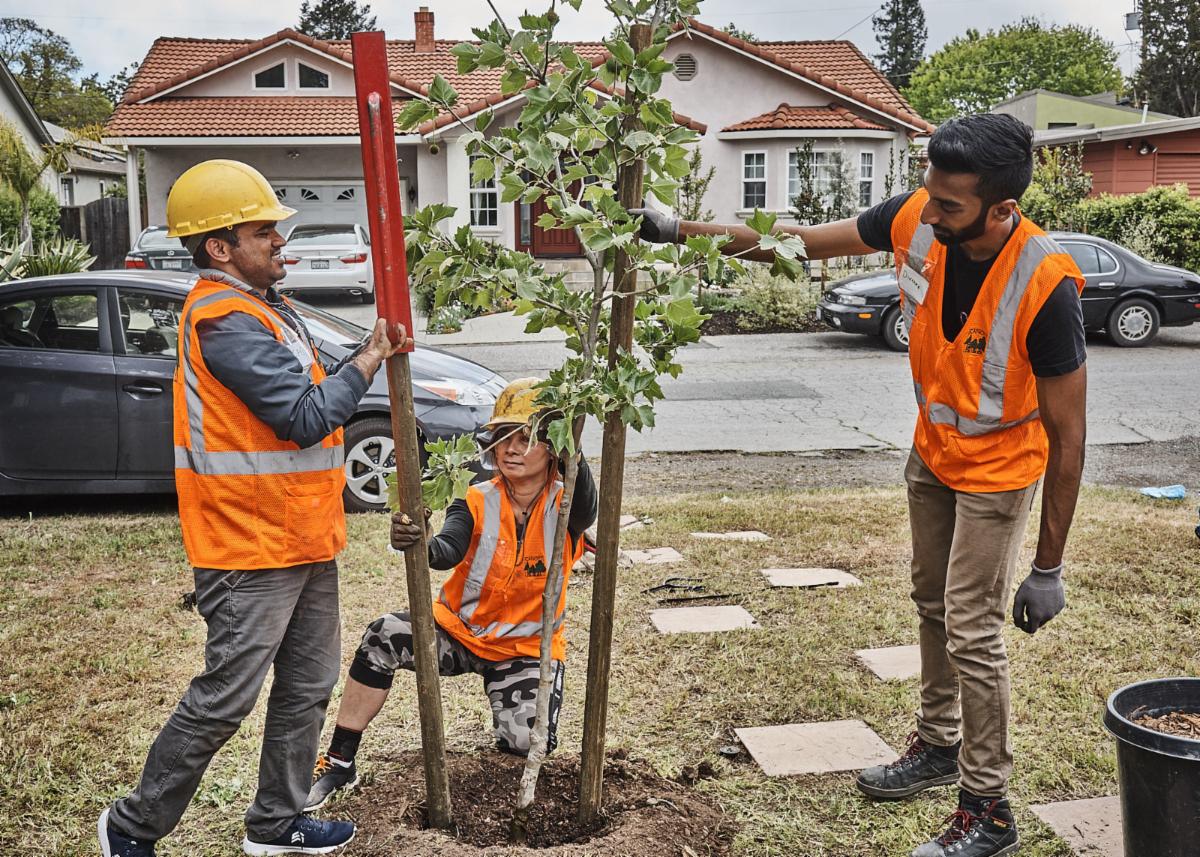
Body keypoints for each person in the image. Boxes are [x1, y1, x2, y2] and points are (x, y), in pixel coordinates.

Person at [635, 114, 1087, 857]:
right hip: (933, 454)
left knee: (973, 627)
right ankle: (940, 744)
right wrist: (674, 227)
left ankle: (988, 808)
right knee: (929, 600)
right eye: (929, 194)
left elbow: (1070, 438)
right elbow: (797, 241)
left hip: (1000, 474)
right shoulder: (918, 214)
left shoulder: (1047, 285)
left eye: (951, 204)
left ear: (1002, 208)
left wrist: (1049, 566)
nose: (930, 211)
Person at [99, 159, 409, 857]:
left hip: (302, 536)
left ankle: (276, 823)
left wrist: (362, 355)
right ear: (219, 246)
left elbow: (314, 384)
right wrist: (368, 358)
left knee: (308, 685)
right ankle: (132, 825)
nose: (280, 242)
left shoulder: (272, 308)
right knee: (224, 698)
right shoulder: (222, 320)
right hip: (248, 546)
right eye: (264, 231)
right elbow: (302, 415)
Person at [304, 377, 598, 812]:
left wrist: (569, 433)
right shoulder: (477, 498)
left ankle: (505, 729)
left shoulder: (568, 502)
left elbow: (589, 505)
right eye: (503, 438)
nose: (511, 448)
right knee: (384, 635)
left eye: (527, 438)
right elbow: (446, 551)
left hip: (525, 650)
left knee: (526, 744)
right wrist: (419, 539)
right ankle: (340, 760)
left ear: (554, 446)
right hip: (458, 634)